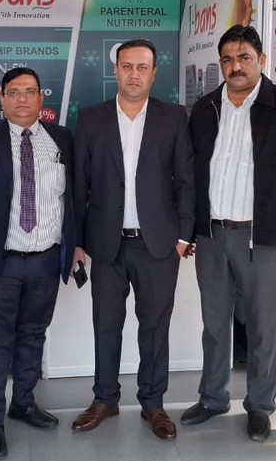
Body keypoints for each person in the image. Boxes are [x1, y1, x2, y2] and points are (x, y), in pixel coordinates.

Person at [183, 24, 276, 442]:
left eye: (244, 57)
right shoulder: (205, 109)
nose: (235, 66)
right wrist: (192, 229)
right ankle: (213, 397)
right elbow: (190, 175)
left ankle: (259, 406)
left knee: (262, 328)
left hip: (264, 240)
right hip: (211, 237)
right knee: (214, 324)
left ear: (262, 60)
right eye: (227, 59)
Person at [71, 39, 194, 440]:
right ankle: (104, 398)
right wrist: (77, 241)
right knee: (106, 325)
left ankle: (153, 403)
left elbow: (187, 181)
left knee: (154, 327)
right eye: (127, 66)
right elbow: (79, 185)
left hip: (158, 244)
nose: (134, 74)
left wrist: (184, 235)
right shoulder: (91, 118)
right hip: (106, 243)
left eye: (142, 67)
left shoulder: (173, 117)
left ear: (154, 73)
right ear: (116, 70)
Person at [0, 68, 76, 460]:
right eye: (14, 92)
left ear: (42, 98)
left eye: (30, 91)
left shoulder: (62, 139)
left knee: (33, 335)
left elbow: (73, 198)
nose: (22, 99)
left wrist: (76, 244)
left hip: (46, 260)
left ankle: (23, 402)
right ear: (1, 98)